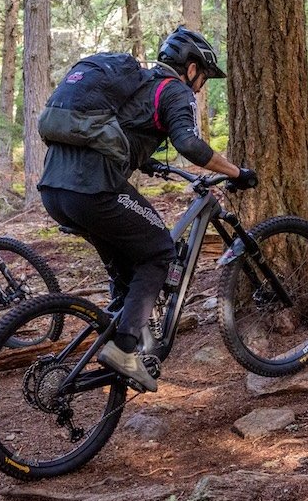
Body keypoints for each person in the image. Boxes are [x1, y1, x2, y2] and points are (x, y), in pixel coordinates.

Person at [38, 26, 257, 391]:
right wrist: (237, 172)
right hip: (94, 190)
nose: (200, 86)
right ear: (191, 68)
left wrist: (147, 161)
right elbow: (188, 143)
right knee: (160, 253)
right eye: (203, 76)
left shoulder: (138, 84)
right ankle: (124, 349)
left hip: (54, 190)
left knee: (128, 264)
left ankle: (122, 326)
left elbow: (118, 133)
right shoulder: (175, 90)